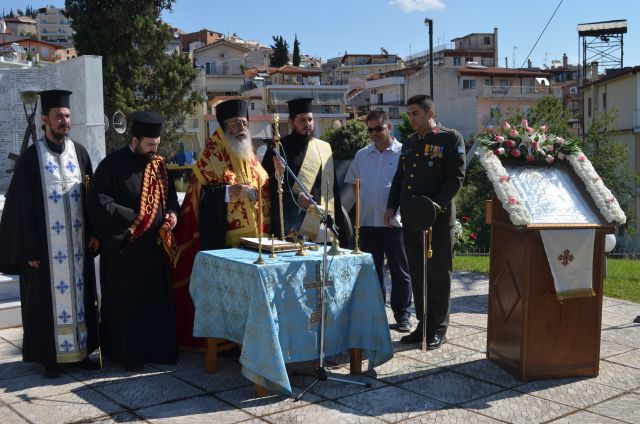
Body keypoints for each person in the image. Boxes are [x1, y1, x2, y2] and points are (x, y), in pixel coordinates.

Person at [0, 89, 99, 378]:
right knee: (45, 304)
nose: (64, 121)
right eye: (59, 116)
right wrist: (28, 249)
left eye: (67, 116)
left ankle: (80, 353)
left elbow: (90, 197)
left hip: (78, 248)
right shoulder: (32, 159)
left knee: (81, 300)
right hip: (44, 252)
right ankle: (50, 358)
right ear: (45, 120)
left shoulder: (79, 153)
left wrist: (94, 232)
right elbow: (19, 209)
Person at [171, 99, 270, 349]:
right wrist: (228, 192)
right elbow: (198, 196)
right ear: (225, 126)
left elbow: (263, 187)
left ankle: (251, 340)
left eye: (245, 123)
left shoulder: (249, 154)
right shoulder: (212, 153)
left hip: (254, 238)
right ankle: (226, 342)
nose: (242, 128)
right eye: (236, 124)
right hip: (224, 239)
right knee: (229, 295)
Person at [89, 111, 179, 371]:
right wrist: (136, 219)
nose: (154, 150)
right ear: (135, 139)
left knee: (155, 304)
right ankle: (128, 355)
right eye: (150, 144)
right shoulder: (111, 165)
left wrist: (171, 215)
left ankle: (158, 351)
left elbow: (170, 199)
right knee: (128, 307)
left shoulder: (158, 165)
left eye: (157, 145)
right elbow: (99, 202)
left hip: (154, 251)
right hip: (125, 253)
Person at [385, 95, 465, 349]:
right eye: (408, 114)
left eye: (415, 113)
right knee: (418, 273)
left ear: (430, 113)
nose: (410, 118)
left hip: (437, 220)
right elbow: (400, 178)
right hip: (412, 220)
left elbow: (456, 178)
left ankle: (438, 327)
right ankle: (424, 323)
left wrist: (435, 206)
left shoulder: (450, 138)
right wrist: (391, 206)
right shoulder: (409, 142)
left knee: (439, 274)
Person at [345, 110, 413, 332]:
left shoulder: (404, 152)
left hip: (395, 223)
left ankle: (403, 314)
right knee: (372, 273)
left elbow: (409, 187)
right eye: (370, 129)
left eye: (378, 128)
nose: (373, 133)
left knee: (400, 270)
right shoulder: (362, 155)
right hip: (367, 223)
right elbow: (353, 183)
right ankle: (376, 314)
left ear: (389, 127)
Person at [262, 97, 348, 244]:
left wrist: (340, 228)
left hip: (320, 222)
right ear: (291, 123)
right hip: (290, 223)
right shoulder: (277, 149)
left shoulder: (324, 148)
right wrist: (294, 197)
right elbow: (265, 185)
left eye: (310, 120)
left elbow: (332, 191)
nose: (307, 124)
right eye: (302, 120)